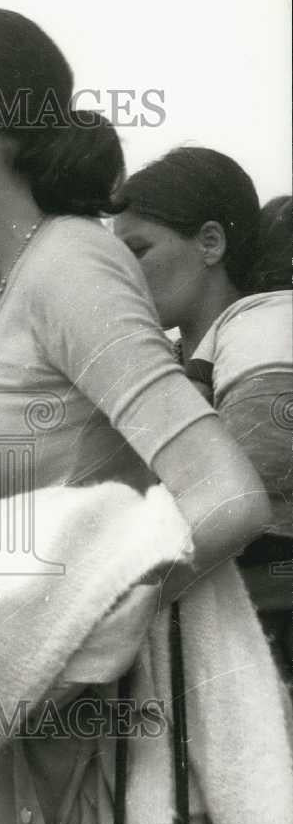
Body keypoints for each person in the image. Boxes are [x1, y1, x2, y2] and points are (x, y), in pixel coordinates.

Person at [0, 9, 273, 824]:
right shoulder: (24, 272)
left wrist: (57, 657)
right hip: (1, 743)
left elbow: (223, 494)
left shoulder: (72, 268)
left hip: (52, 742)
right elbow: (68, 481)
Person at [113, 156, 291, 676]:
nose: (121, 274)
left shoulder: (264, 325)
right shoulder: (169, 361)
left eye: (137, 250)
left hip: (267, 634)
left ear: (210, 242)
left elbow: (249, 490)